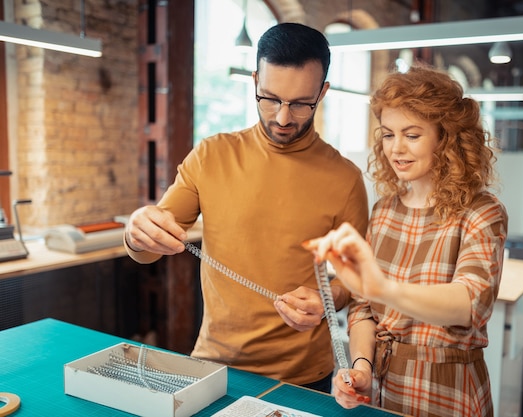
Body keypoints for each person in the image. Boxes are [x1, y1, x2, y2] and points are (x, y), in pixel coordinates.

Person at [123, 22, 369, 393]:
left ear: (323, 92)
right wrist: (136, 231)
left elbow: (358, 280)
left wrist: (327, 298)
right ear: (254, 81)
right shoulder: (210, 156)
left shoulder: (346, 178)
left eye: (302, 103)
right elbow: (148, 247)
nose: (283, 118)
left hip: (305, 378)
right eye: (270, 98)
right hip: (214, 367)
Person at [304, 64, 508, 416]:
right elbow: (364, 308)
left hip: (448, 392)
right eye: (387, 134)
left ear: (446, 137)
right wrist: (362, 368)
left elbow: (469, 304)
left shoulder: (481, 211)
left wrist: (383, 288)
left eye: (412, 135)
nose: (396, 149)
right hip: (384, 390)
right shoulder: (384, 210)